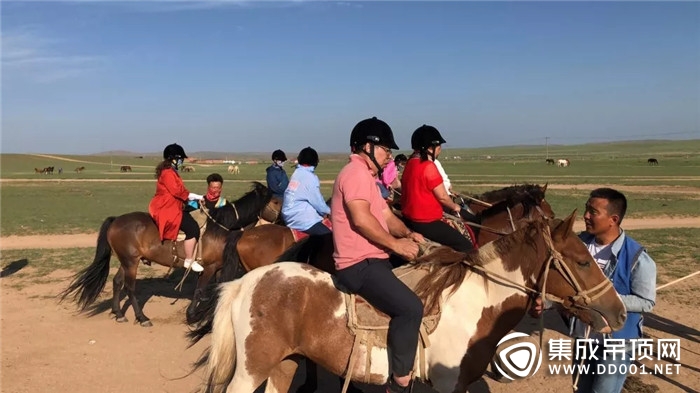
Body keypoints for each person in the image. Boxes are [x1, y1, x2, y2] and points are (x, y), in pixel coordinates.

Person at [331, 116, 434, 393]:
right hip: (358, 264)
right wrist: (396, 245)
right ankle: (400, 380)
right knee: (411, 307)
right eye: (386, 149)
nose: (389, 156)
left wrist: (406, 234)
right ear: (367, 147)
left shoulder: (368, 177)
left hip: (374, 258)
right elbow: (362, 220)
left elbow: (386, 215)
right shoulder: (354, 174)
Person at [530, 188, 657, 393]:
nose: (585, 216)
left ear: (613, 219)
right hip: (583, 338)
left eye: (593, 211)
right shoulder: (577, 246)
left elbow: (647, 302)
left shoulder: (638, 257)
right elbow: (568, 291)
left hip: (617, 344)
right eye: (586, 209)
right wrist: (547, 304)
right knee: (580, 390)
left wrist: (601, 300)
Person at [400, 125, 473, 253]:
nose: (439, 151)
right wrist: (456, 207)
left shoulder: (410, 163)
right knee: (466, 246)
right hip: (426, 222)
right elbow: (443, 197)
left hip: (409, 217)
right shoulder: (428, 166)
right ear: (431, 148)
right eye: (439, 148)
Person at [148, 143, 205, 272]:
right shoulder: (168, 173)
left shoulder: (171, 172)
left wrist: (194, 200)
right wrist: (197, 196)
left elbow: (180, 191)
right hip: (167, 207)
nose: (182, 162)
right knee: (193, 228)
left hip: (173, 204)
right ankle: (189, 260)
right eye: (180, 159)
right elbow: (177, 192)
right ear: (173, 159)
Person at [281, 147, 332, 236]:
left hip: (288, 215)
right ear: (315, 162)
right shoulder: (310, 177)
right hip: (302, 218)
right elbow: (318, 203)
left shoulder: (297, 173)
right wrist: (330, 211)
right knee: (329, 238)